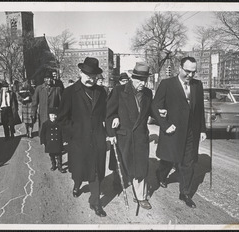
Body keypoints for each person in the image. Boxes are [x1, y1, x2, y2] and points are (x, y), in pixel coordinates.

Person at [151, 56, 207, 208]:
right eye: (187, 71)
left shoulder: (197, 85)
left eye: (193, 72)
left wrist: (202, 129)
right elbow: (155, 107)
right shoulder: (167, 84)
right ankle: (161, 175)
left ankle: (185, 193)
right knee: (169, 159)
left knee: (188, 163)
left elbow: (200, 109)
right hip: (173, 131)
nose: (190, 75)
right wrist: (165, 125)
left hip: (191, 132)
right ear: (179, 68)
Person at [57, 57, 107, 217]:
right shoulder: (70, 92)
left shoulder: (102, 92)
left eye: (94, 76)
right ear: (80, 73)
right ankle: (77, 185)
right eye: (87, 75)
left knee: (96, 172)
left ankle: (95, 203)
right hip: (78, 141)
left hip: (97, 141)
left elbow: (106, 115)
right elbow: (62, 118)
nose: (90, 79)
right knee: (79, 171)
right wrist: (75, 132)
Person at [106, 62, 154, 210]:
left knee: (140, 166)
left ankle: (140, 196)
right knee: (121, 163)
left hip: (140, 136)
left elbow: (151, 112)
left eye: (145, 80)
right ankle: (117, 180)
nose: (143, 83)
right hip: (123, 135)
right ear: (132, 78)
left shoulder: (148, 93)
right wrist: (113, 123)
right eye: (140, 80)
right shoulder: (119, 90)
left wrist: (161, 114)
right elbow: (109, 113)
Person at [31, 71, 63, 136]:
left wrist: (61, 114)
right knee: (43, 132)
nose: (49, 80)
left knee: (53, 134)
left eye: (50, 78)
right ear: (44, 79)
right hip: (43, 114)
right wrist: (33, 113)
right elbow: (34, 102)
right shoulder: (39, 88)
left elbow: (61, 103)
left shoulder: (57, 89)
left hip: (53, 115)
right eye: (47, 78)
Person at [40, 107, 66, 173]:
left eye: (54, 115)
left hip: (58, 142)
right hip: (49, 143)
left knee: (59, 155)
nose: (53, 117)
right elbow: (42, 133)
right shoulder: (45, 124)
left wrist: (64, 141)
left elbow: (63, 133)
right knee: (52, 155)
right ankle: (53, 165)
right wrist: (43, 141)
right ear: (49, 115)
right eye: (51, 115)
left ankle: (60, 167)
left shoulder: (59, 124)